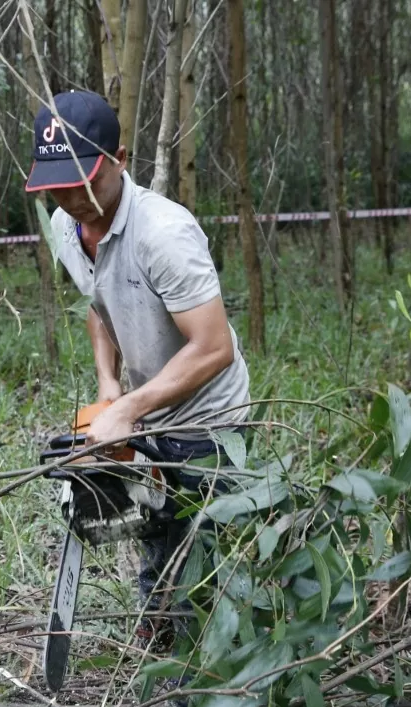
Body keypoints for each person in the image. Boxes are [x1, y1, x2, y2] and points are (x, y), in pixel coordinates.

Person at [24, 90, 251, 664]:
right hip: (148, 410)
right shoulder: (63, 225)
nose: (71, 197)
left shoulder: (164, 233)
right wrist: (110, 388)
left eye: (83, 181)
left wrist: (129, 411)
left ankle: (203, 689)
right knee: (155, 537)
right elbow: (98, 307)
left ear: (119, 158)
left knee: (205, 565)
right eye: (57, 185)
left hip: (210, 424)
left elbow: (214, 348)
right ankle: (158, 652)